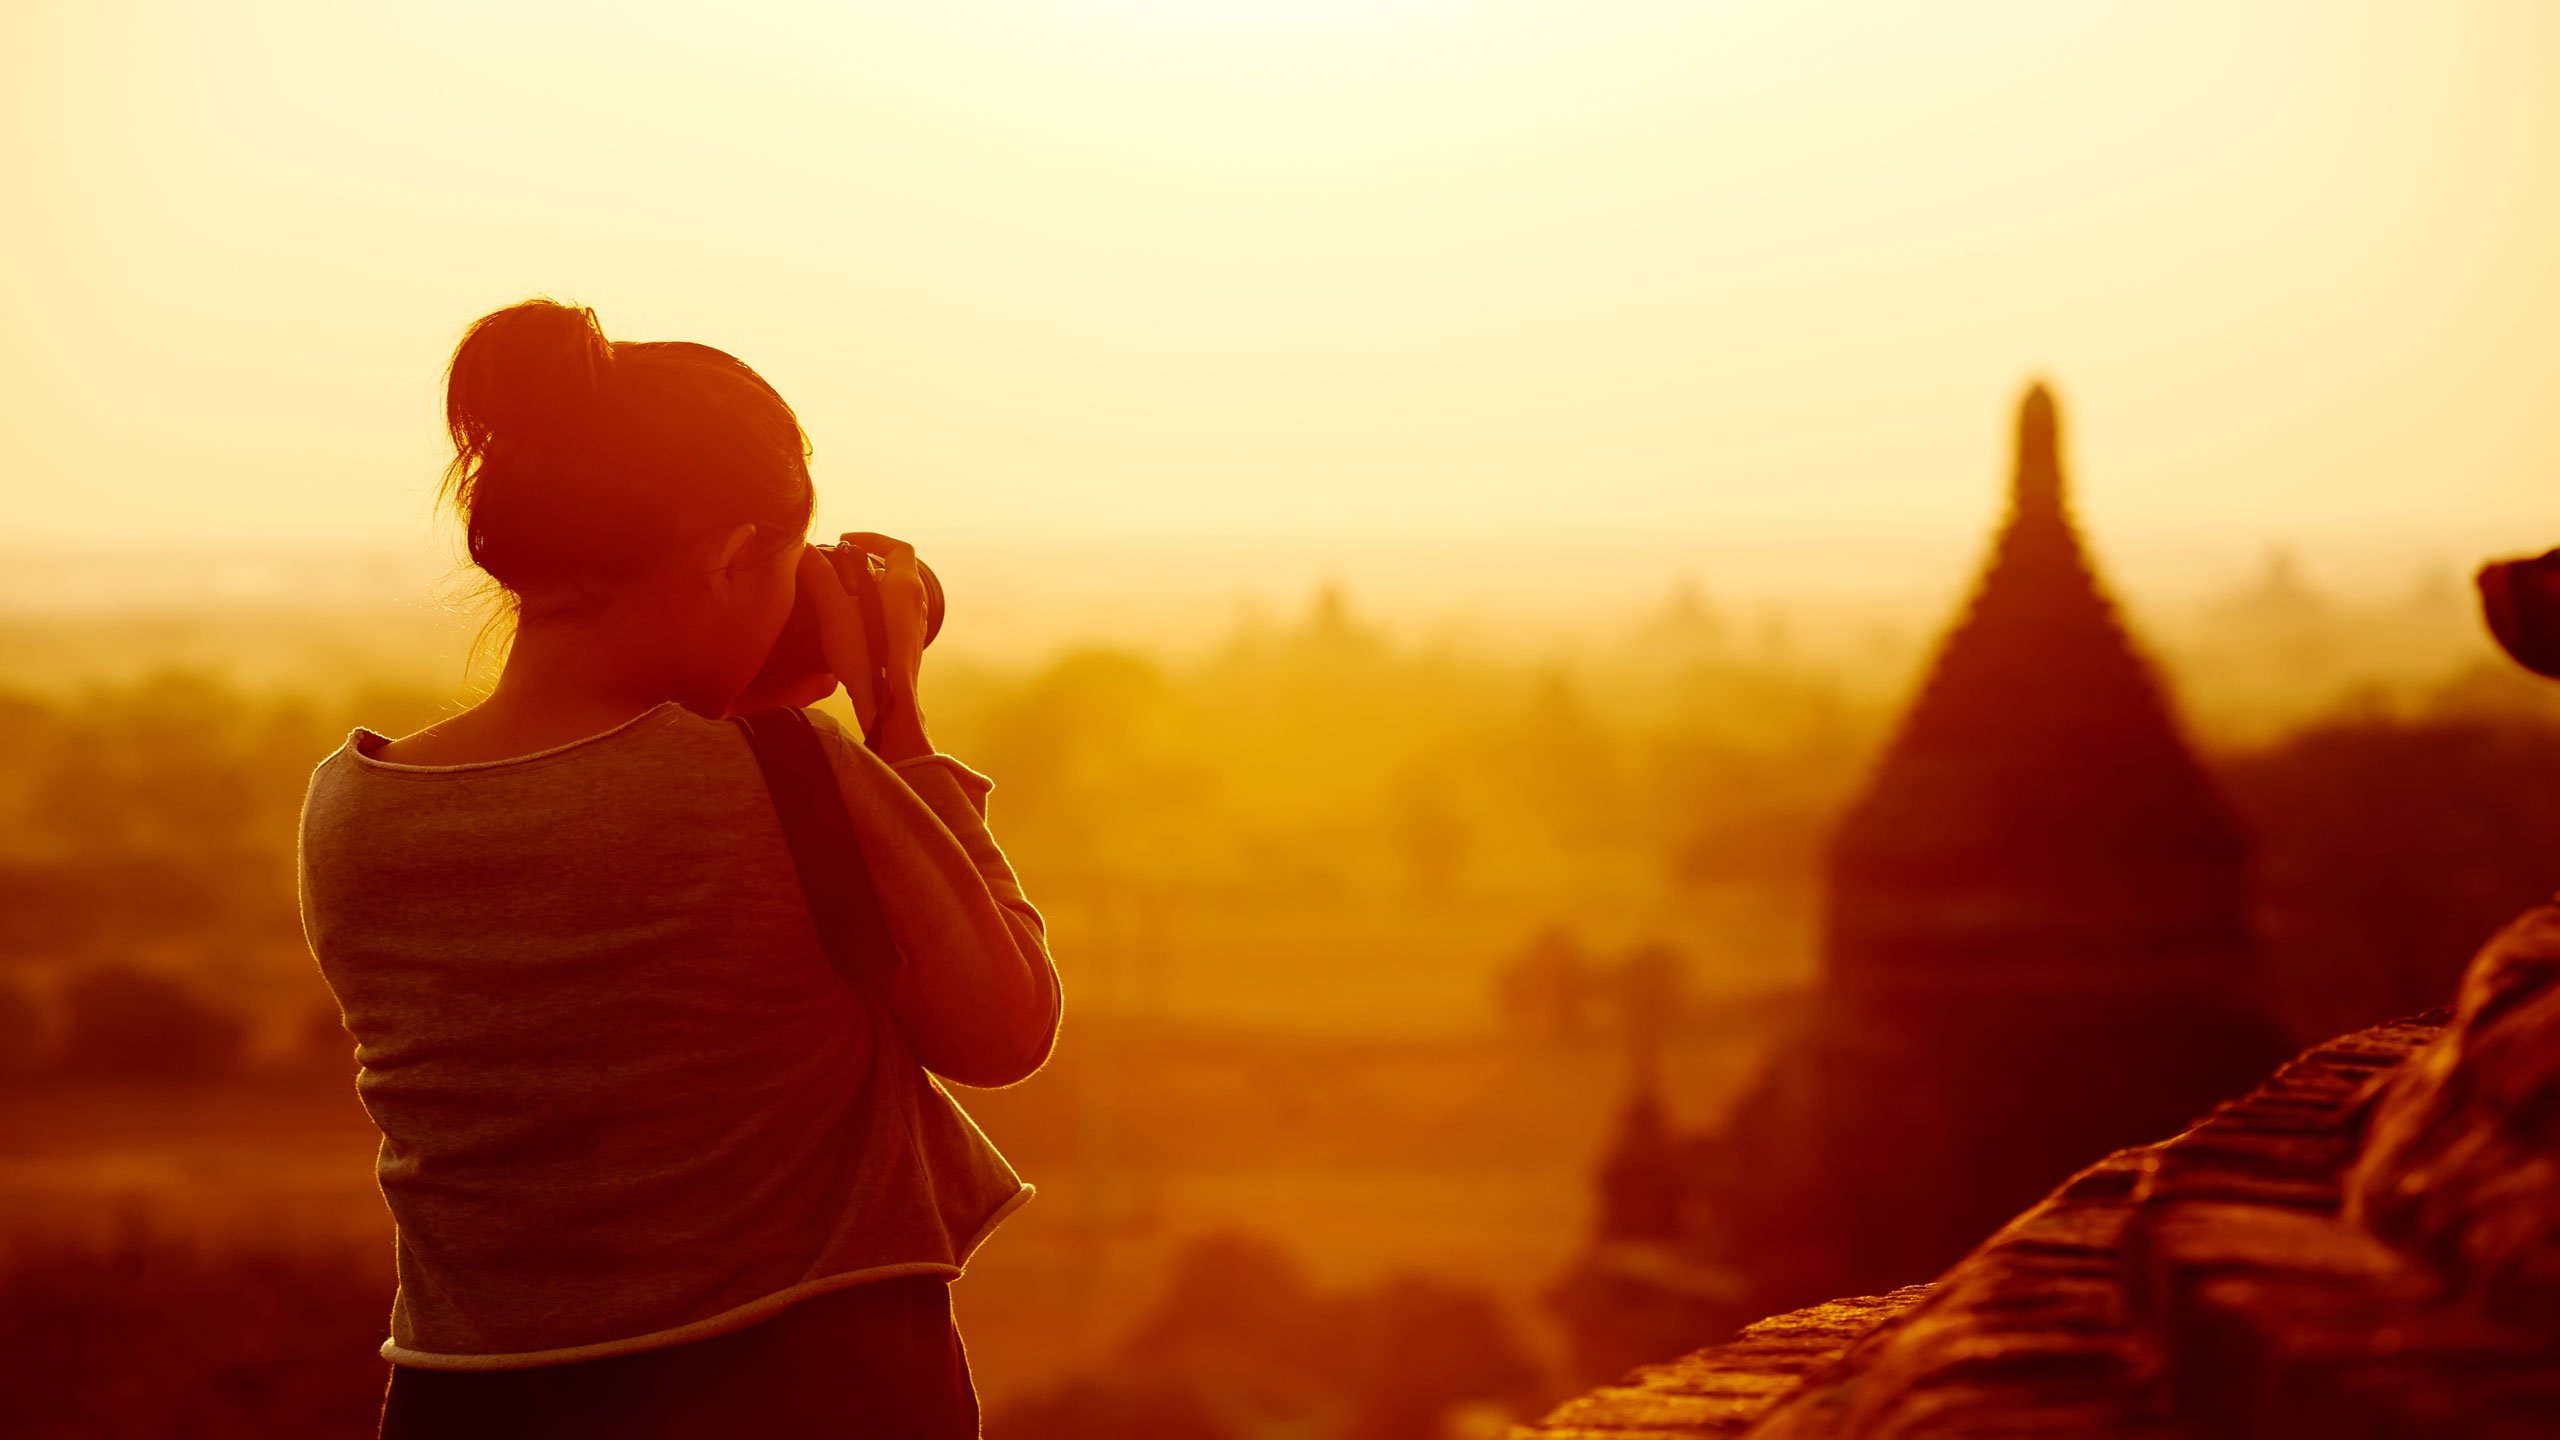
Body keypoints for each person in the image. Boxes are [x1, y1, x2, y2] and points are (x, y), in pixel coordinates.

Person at [296, 298, 1062, 1438]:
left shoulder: (353, 809)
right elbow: (1006, 1026)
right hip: (800, 1384)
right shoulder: (789, 777)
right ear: (728, 560)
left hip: (470, 1395)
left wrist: (717, 700)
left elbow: (594, 842)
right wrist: (892, 715)